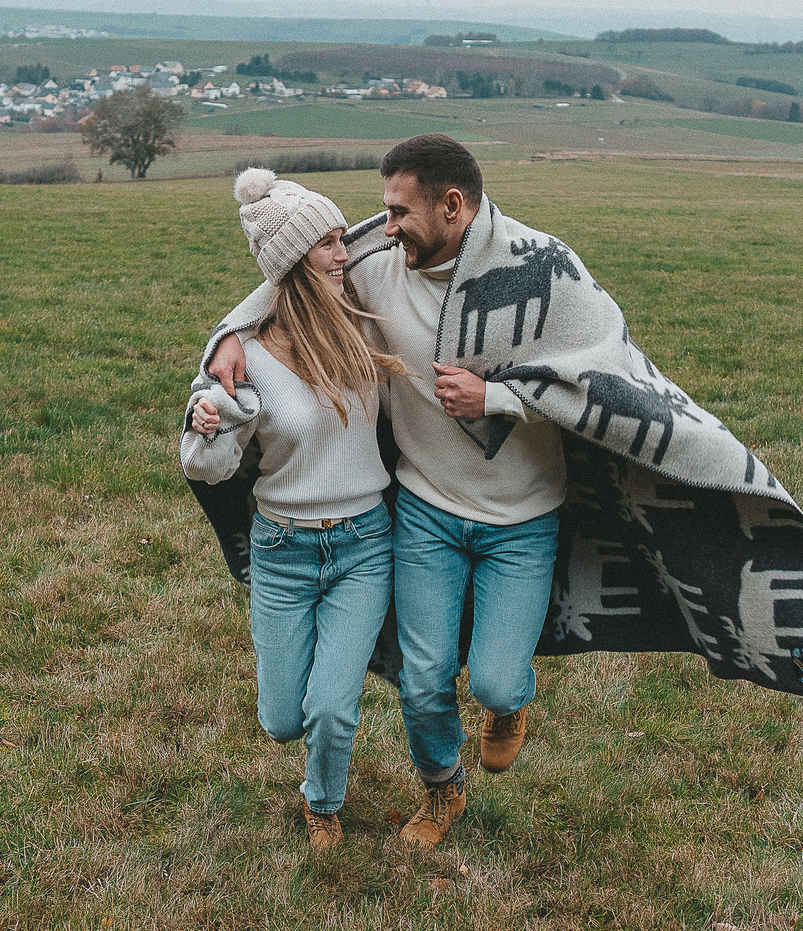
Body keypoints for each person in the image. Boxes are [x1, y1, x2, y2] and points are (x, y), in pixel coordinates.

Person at [208, 136, 559, 850]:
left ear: (451, 205)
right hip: (381, 520)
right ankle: (439, 785)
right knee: (369, 695)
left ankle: (492, 713)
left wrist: (497, 397)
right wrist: (228, 333)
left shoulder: (527, 269)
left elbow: (596, 371)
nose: (380, 231)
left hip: (467, 523)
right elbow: (287, 274)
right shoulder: (360, 278)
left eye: (397, 212)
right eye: (381, 214)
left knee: (478, 683)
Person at [180, 170, 403, 851]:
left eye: (339, 238)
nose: (343, 254)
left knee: (331, 709)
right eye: (327, 244)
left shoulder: (357, 319)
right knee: (282, 720)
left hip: (365, 545)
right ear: (293, 262)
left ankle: (322, 804)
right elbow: (209, 468)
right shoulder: (242, 359)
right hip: (282, 551)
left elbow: (383, 243)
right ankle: (306, 757)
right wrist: (208, 423)